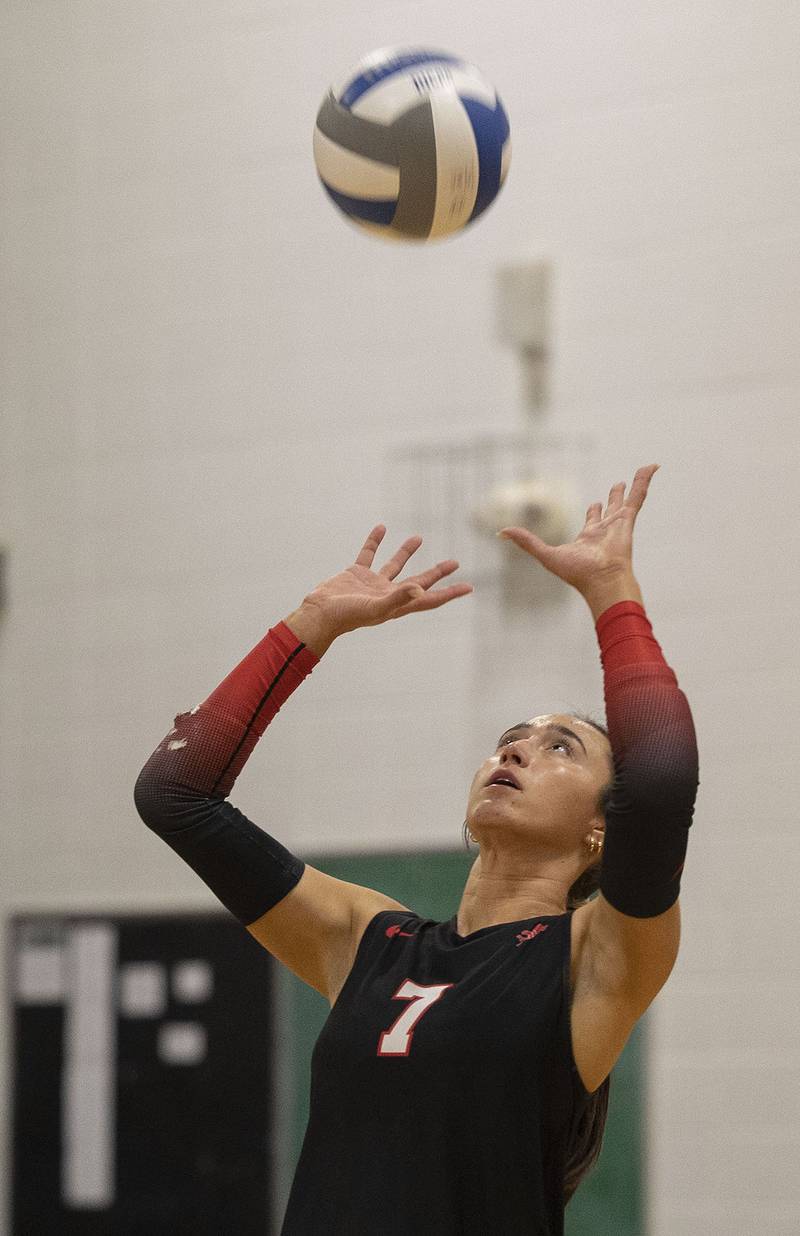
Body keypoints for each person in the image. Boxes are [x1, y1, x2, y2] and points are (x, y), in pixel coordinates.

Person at [134, 463, 699, 1235]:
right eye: (509, 739)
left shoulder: (597, 954)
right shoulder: (371, 941)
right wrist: (310, 625)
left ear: (603, 827)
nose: (518, 751)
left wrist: (611, 595)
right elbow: (175, 793)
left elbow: (663, 778)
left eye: (560, 746)